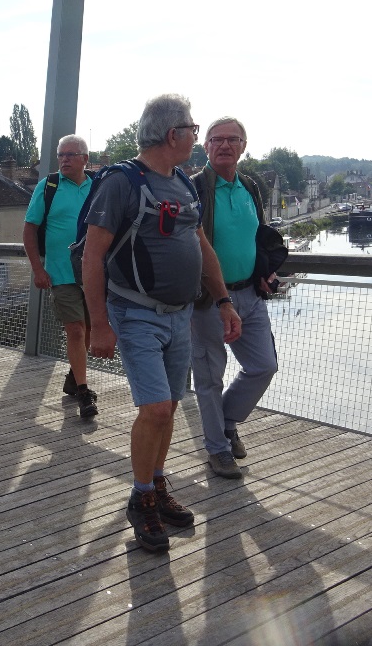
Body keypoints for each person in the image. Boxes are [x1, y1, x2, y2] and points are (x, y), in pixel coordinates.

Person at [83, 94, 242, 553]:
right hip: (134, 314)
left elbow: (202, 247)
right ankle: (140, 499)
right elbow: (93, 257)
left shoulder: (184, 185)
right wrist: (99, 323)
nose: (197, 136)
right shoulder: (121, 183)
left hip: (180, 317)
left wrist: (224, 300)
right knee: (154, 409)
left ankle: (155, 484)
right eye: (193, 129)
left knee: (169, 407)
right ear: (174, 134)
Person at [191, 117, 279, 479]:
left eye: (232, 139)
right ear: (206, 146)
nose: (224, 145)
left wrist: (265, 270)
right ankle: (217, 449)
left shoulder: (251, 187)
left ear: (244, 146)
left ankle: (226, 422)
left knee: (264, 366)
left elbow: (258, 235)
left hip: (249, 293)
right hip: (209, 299)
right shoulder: (194, 187)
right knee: (210, 376)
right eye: (217, 139)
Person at [23, 134, 98, 420]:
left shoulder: (98, 186)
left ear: (84, 159)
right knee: (76, 330)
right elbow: (29, 230)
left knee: (90, 330)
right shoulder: (48, 187)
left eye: (70, 154)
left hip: (94, 273)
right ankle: (83, 391)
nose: (64, 160)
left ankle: (72, 375)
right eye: (61, 155)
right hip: (61, 273)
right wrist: (38, 269)